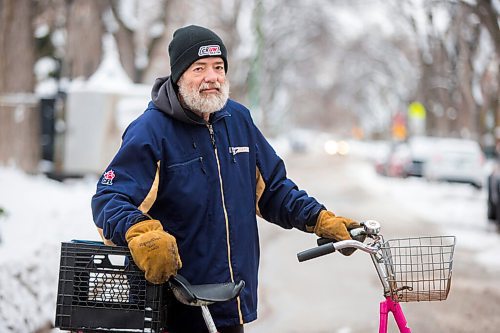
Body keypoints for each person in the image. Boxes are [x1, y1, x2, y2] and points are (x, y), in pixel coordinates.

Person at [91, 25, 360, 333]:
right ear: (179, 75)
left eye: (218, 67)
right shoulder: (151, 131)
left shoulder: (239, 120)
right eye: (199, 68)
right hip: (177, 306)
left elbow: (273, 190)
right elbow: (109, 199)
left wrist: (320, 219)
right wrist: (140, 233)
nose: (212, 77)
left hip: (231, 302)